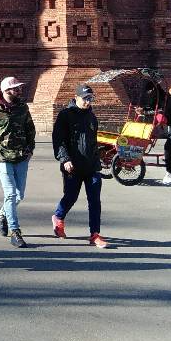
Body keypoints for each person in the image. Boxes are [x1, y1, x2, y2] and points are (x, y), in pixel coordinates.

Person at [0, 75, 35, 249]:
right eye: (16, 88)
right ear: (6, 91)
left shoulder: (22, 107)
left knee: (19, 195)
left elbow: (30, 129)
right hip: (1, 157)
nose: (19, 90)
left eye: (19, 88)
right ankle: (15, 231)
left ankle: (2, 213)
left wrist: (30, 149)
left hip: (21, 156)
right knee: (10, 194)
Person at [51, 85, 108, 248]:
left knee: (95, 201)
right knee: (71, 196)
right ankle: (58, 217)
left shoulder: (91, 117)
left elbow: (92, 141)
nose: (88, 102)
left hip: (92, 166)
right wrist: (64, 159)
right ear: (76, 97)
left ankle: (95, 234)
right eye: (85, 98)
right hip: (72, 166)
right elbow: (58, 140)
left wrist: (99, 159)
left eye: (91, 99)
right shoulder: (65, 115)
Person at [141, 75, 171, 185]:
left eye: (148, 91)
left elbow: (161, 111)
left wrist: (145, 112)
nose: (148, 94)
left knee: (170, 147)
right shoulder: (157, 98)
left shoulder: (165, 98)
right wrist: (143, 110)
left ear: (153, 89)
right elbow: (151, 109)